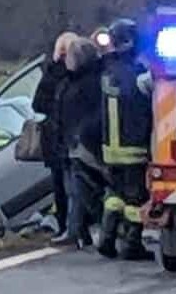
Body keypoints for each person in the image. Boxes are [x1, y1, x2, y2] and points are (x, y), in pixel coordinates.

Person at [97, 18, 154, 261]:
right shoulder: (139, 75)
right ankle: (132, 244)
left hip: (110, 149)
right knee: (135, 200)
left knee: (114, 195)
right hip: (133, 149)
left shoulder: (106, 72)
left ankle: (106, 238)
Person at [63, 34, 108, 250]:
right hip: (78, 142)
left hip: (85, 143)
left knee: (84, 189)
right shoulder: (81, 80)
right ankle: (79, 230)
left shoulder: (88, 83)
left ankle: (95, 228)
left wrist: (83, 135)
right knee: (78, 190)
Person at [32, 31, 76, 243]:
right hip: (70, 139)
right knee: (73, 187)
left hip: (55, 139)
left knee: (61, 187)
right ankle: (75, 227)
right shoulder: (78, 74)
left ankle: (65, 226)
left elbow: (37, 104)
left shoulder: (51, 75)